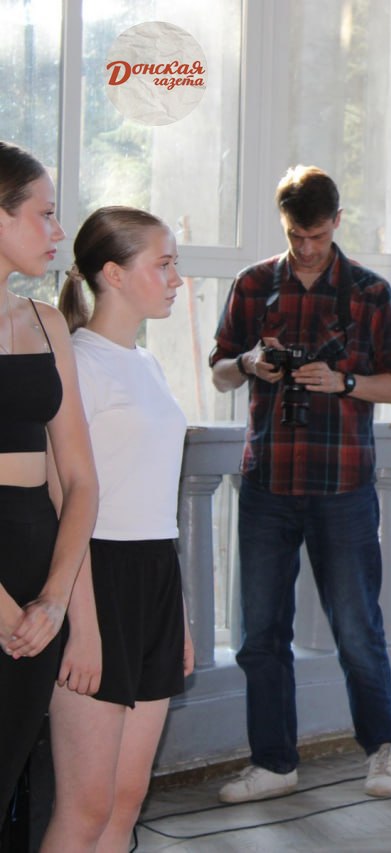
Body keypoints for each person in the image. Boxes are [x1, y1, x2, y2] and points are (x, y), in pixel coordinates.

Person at [209, 165, 391, 803]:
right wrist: (248, 363)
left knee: (357, 628)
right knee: (260, 634)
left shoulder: (371, 293)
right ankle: (274, 763)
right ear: (284, 224)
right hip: (267, 482)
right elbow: (219, 371)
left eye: (317, 236)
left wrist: (344, 382)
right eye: (296, 235)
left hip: (343, 485)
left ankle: (383, 748)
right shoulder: (252, 285)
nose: (305, 248)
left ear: (337, 223)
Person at [40, 206, 195, 850]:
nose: (177, 279)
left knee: (126, 800)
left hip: (154, 578)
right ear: (114, 273)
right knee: (86, 806)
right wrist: (82, 625)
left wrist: (177, 613)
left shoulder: (149, 365)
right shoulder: (78, 364)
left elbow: (156, 502)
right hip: (94, 578)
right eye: (164, 264)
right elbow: (62, 502)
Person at [0, 141, 98, 815]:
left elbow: (80, 480)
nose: (59, 231)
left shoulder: (48, 322)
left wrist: (55, 601)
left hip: (38, 576)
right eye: (45, 212)